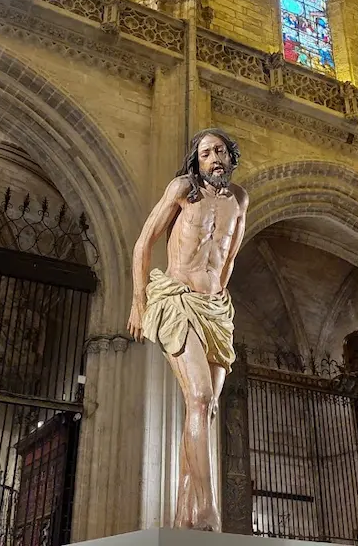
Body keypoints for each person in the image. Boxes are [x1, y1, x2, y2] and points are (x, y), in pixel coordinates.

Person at [127, 128, 249, 531]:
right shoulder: (183, 189)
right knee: (197, 397)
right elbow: (144, 242)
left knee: (206, 409)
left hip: (215, 308)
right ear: (196, 162)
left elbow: (229, 258)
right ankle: (209, 509)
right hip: (176, 300)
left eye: (219, 151)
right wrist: (138, 302)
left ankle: (183, 517)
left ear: (230, 158)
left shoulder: (240, 200)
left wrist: (219, 301)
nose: (212, 158)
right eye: (204, 153)